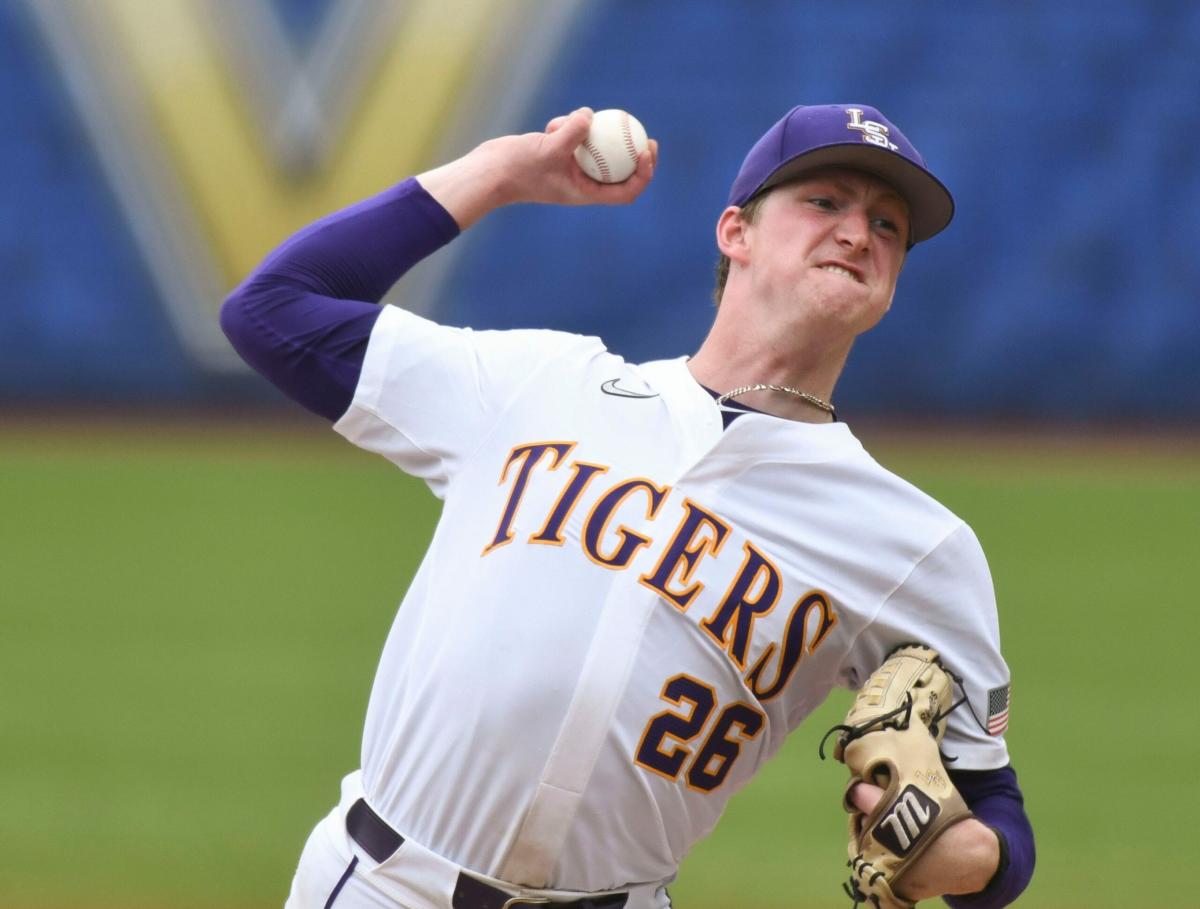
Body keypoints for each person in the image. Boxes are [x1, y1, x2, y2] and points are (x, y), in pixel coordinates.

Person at [221, 103, 1035, 909]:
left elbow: (996, 813)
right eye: (825, 203)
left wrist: (964, 858)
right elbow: (272, 310)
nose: (860, 233)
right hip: (384, 883)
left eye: (889, 225)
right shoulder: (539, 385)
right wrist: (502, 172)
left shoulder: (914, 545)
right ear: (735, 233)